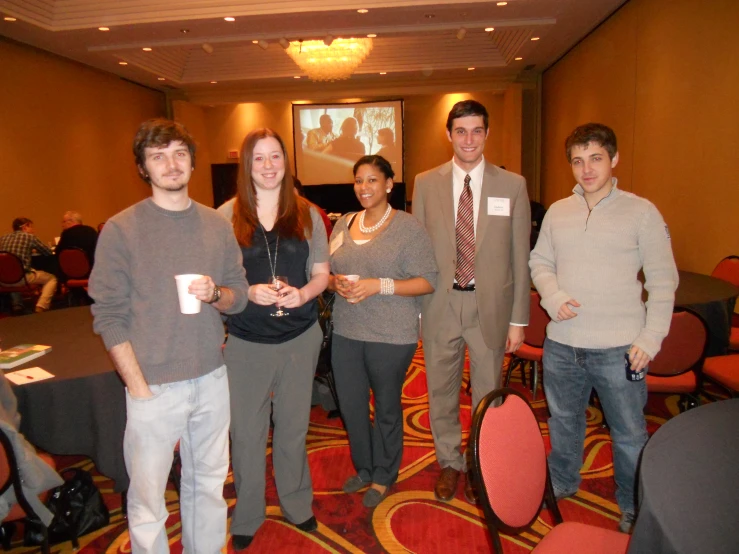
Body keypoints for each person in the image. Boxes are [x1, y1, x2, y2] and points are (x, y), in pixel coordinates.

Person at [88, 118, 250, 554]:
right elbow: (107, 314)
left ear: (192, 163)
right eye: (158, 157)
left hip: (212, 379)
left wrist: (216, 293)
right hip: (152, 387)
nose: (170, 164)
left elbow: (240, 296)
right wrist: (138, 388)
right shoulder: (121, 229)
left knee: (209, 488)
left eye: (179, 154)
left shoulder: (217, 225)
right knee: (147, 503)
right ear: (144, 168)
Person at [529, 123, 678, 533]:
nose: (586, 169)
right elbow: (539, 263)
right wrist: (552, 296)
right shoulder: (559, 211)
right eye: (577, 161)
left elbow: (664, 280)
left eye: (595, 158)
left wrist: (650, 338)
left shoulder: (641, 211)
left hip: (620, 348)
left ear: (614, 159)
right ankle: (563, 479)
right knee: (562, 420)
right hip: (563, 344)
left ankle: (632, 503)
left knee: (629, 434)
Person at [412, 99, 531, 504]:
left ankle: (482, 463)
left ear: (487, 134)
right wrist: (417, 313)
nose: (468, 139)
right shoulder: (425, 182)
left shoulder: (511, 184)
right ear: (449, 135)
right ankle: (450, 462)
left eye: (476, 130)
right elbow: (419, 254)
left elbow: (520, 256)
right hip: (440, 307)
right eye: (460, 131)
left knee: (488, 394)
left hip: (490, 308)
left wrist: (519, 319)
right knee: (440, 392)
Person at [223, 128, 329, 550]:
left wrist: (303, 293)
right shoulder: (224, 216)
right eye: (259, 158)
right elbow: (218, 284)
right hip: (247, 342)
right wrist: (247, 292)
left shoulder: (307, 214)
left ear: (287, 163)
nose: (269, 166)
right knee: (246, 434)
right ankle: (247, 511)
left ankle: (297, 503)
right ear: (246, 165)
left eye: (276, 157)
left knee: (292, 429)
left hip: (300, 338)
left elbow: (321, 273)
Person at [329, 155, 437, 508]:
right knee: (352, 406)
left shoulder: (408, 227)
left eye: (373, 180)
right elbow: (327, 273)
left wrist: (379, 285)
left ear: (389, 184)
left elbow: (427, 281)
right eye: (359, 180)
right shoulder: (342, 224)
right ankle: (364, 467)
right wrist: (335, 283)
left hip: (391, 334)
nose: (364, 187)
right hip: (346, 330)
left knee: (386, 406)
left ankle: (384, 474)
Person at [0, 217, 58, 314]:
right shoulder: (30, 237)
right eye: (31, 227)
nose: (33, 230)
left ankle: (17, 304)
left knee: (13, 270)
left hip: (3, 280)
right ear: (25, 227)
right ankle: (41, 306)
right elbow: (47, 252)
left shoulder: (3, 238)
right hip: (22, 279)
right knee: (52, 278)